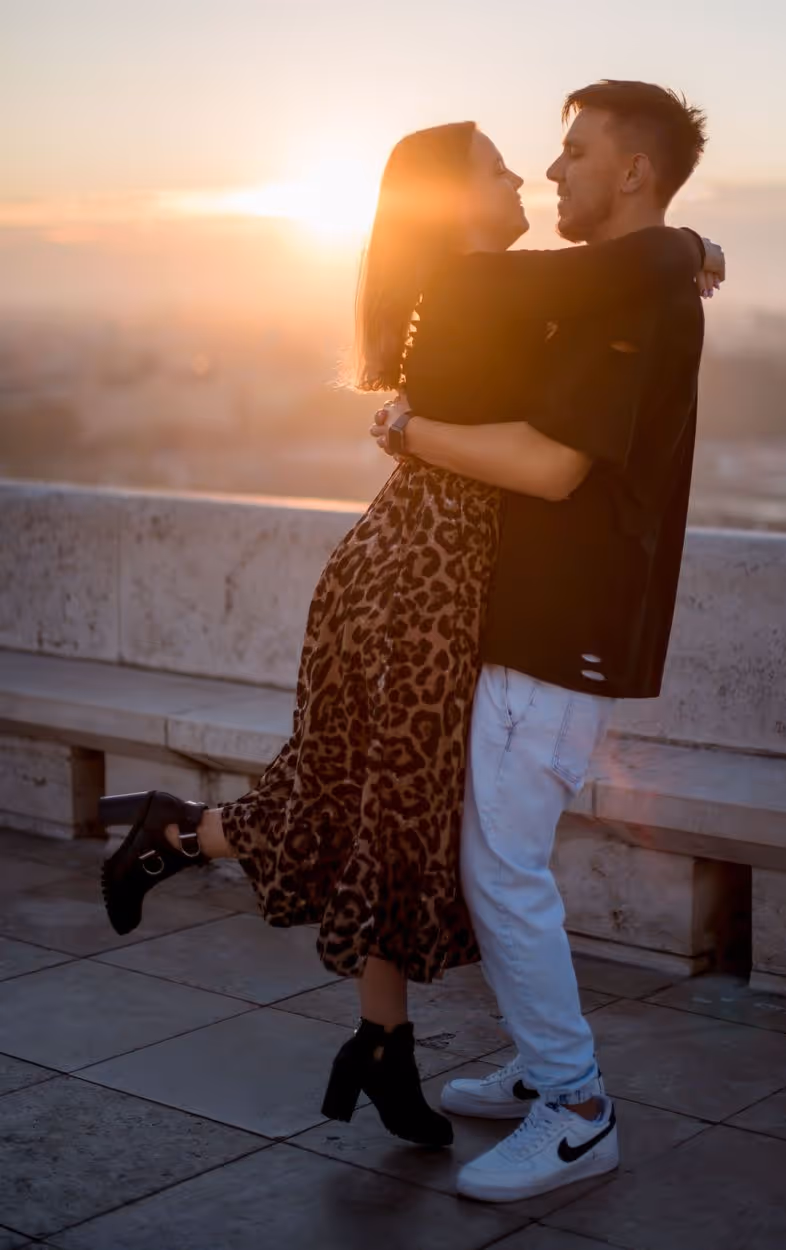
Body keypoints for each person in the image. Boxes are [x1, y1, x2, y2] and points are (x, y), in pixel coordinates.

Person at [96, 102, 719, 1155]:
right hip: (419, 584)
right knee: (382, 803)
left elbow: (609, 303)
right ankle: (194, 850)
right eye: (500, 167)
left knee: (389, 807)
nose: (530, 175)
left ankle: (383, 1033)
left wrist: (682, 249)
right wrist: (687, 245)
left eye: (562, 154)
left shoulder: (528, 288)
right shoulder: (482, 283)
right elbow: (625, 274)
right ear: (448, 205)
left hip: (437, 582)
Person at [370, 80, 711, 1201]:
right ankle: (538, 1061)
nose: (552, 170)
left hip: (566, 628)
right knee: (501, 858)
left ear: (634, 172)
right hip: (534, 619)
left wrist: (409, 431)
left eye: (575, 153)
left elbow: (553, 464)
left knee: (502, 867)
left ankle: (575, 1107)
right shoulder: (608, 281)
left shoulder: (638, 302)